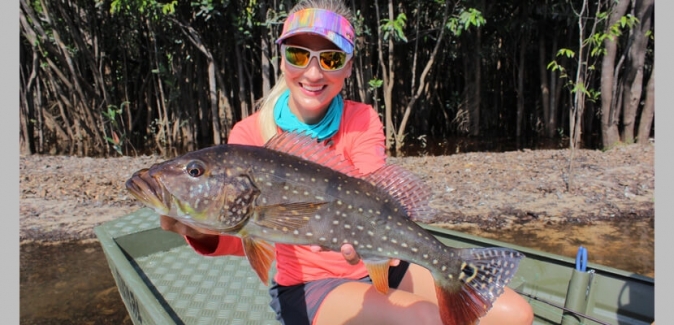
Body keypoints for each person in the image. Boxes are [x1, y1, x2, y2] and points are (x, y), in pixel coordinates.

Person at [160, 0, 534, 324]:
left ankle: (450, 268)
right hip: (310, 286)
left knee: (517, 316)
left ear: (348, 67)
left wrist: (385, 253)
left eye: (331, 58)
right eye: (298, 54)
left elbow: (380, 196)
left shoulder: (362, 119)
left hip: (375, 259)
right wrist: (198, 229)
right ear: (282, 59)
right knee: (426, 319)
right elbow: (243, 232)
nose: (313, 72)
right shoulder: (250, 136)